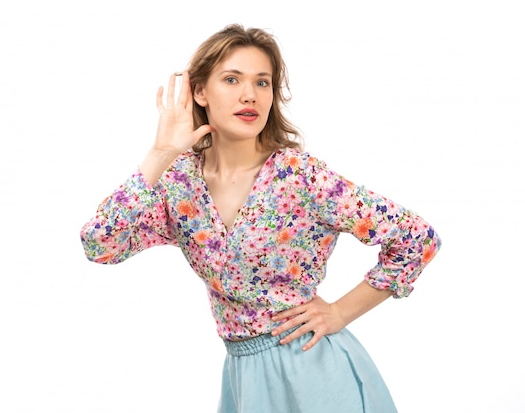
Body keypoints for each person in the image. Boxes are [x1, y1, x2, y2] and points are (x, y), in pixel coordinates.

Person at [80, 23, 441, 413]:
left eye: (262, 82)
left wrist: (339, 312)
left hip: (314, 372)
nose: (249, 95)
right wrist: (161, 152)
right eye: (231, 79)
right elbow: (100, 244)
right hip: (243, 381)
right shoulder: (178, 184)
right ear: (199, 90)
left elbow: (416, 238)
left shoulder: (299, 176)